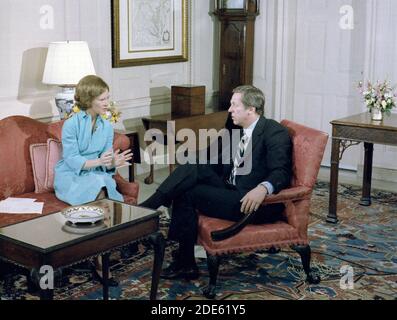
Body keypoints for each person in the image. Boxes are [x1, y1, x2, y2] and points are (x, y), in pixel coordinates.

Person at [140, 85, 292, 280]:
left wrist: (263, 188)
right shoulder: (235, 129)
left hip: (252, 201)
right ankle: (182, 258)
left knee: (188, 191)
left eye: (234, 105)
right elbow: (210, 156)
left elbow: (282, 171)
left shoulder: (274, 132)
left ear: (251, 109)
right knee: (191, 171)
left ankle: (147, 213)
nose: (229, 110)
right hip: (230, 187)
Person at [54, 75, 132, 286]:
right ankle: (99, 259)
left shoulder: (107, 126)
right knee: (102, 189)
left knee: (104, 183)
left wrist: (113, 161)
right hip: (71, 176)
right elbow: (71, 160)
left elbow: (106, 161)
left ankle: (97, 251)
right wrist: (99, 161)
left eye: (108, 98)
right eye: (103, 99)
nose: (108, 103)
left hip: (96, 173)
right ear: (89, 100)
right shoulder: (71, 124)